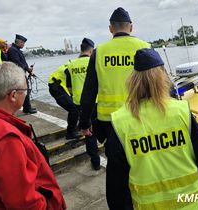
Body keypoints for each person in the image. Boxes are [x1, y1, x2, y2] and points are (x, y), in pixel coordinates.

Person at [111, 48, 198, 210]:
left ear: (133, 82)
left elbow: (116, 185)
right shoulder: (181, 111)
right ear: (162, 78)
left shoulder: (120, 122)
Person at [0, 62, 67, 210]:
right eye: (25, 89)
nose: (26, 93)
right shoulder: (6, 139)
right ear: (13, 95)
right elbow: (23, 203)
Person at [79, 7, 150, 209]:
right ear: (131, 27)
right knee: (143, 162)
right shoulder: (145, 47)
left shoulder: (99, 52)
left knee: (118, 172)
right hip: (141, 118)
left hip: (112, 124)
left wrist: (84, 123)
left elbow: (89, 92)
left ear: (111, 29)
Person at [66, 38, 100, 170]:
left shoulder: (71, 64)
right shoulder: (94, 61)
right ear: (91, 49)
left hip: (80, 104)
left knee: (89, 132)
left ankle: (95, 161)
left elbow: (68, 88)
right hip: (96, 101)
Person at [48, 62, 83, 140]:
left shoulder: (71, 65)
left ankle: (79, 126)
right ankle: (70, 133)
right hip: (57, 88)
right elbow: (72, 84)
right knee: (74, 109)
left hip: (59, 87)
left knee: (76, 107)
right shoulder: (70, 69)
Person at [7, 34, 37, 114]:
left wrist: (28, 70)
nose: (23, 45)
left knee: (25, 90)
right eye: (23, 43)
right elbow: (17, 63)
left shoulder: (16, 50)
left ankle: (27, 107)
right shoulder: (13, 50)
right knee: (24, 91)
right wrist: (27, 69)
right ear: (19, 42)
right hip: (17, 74)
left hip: (20, 73)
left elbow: (22, 62)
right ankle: (27, 109)